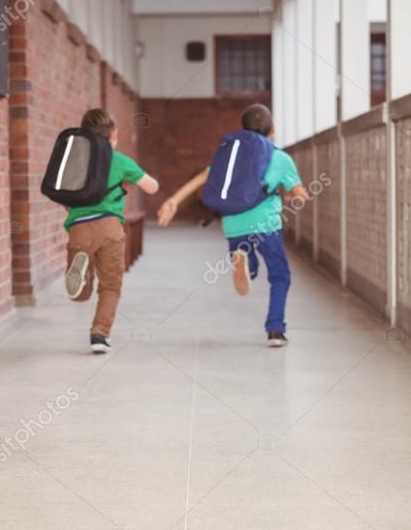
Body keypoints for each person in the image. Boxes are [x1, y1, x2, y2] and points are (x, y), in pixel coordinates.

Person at [156, 103, 308, 347]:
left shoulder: (233, 154)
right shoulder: (281, 158)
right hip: (266, 224)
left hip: (233, 223)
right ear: (273, 128)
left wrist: (173, 200)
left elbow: (203, 178)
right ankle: (275, 330)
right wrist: (290, 197)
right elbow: (300, 195)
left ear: (244, 128)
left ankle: (243, 261)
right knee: (280, 276)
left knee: (250, 268)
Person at [64, 108, 159, 353]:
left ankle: (82, 273)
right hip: (109, 227)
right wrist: (126, 181)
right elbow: (152, 187)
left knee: (80, 294)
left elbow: (64, 196)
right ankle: (99, 335)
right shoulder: (120, 160)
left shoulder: (74, 160)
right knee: (110, 285)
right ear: (114, 133)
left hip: (78, 228)